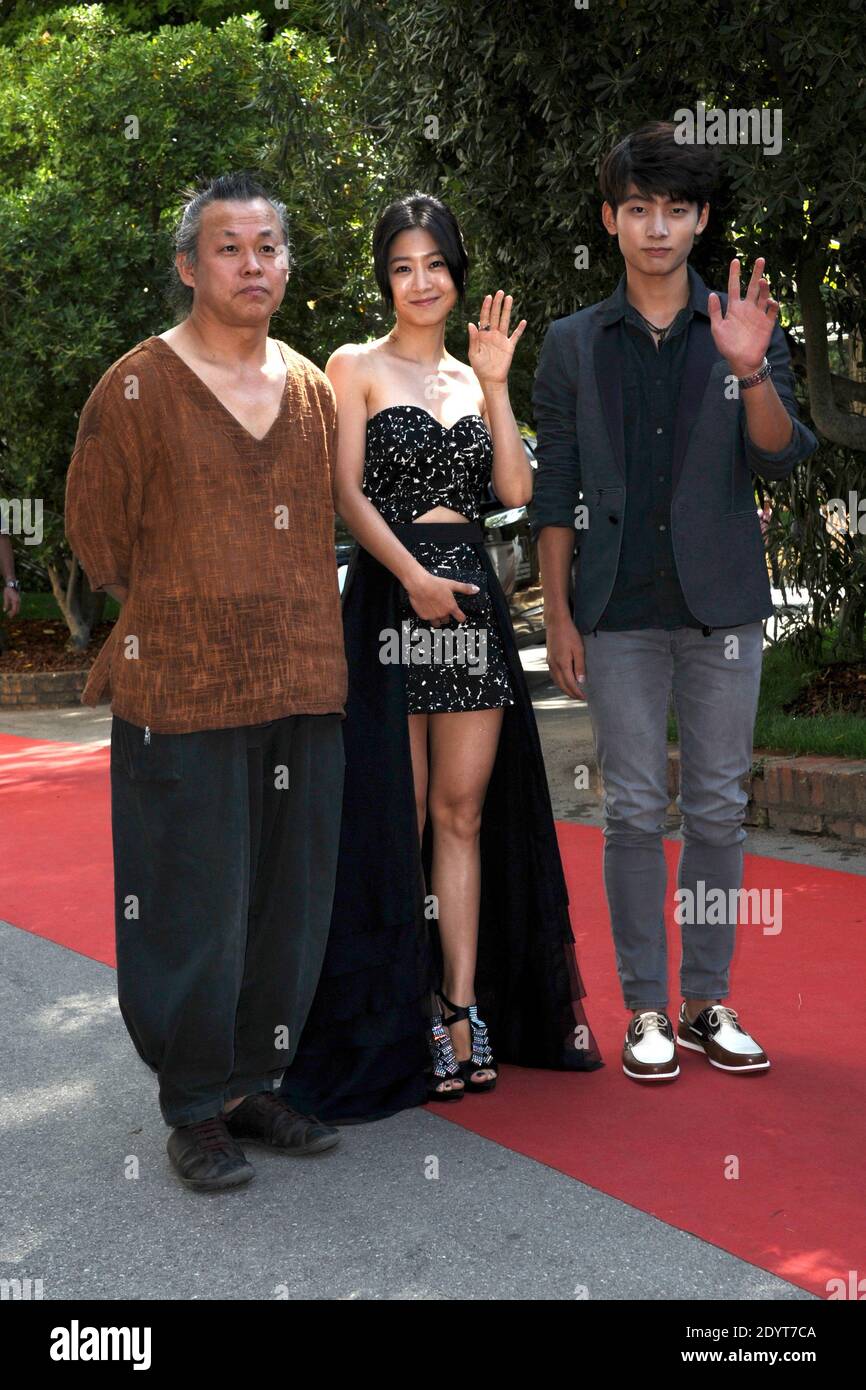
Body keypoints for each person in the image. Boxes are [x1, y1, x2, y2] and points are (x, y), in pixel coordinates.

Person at [278, 193, 602, 1123]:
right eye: (402, 268)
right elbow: (344, 493)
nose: (421, 283)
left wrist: (497, 384)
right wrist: (411, 576)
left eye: (436, 266)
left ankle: (460, 1010)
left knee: (462, 815)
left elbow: (512, 490)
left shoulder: (472, 375)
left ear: (458, 274)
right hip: (390, 597)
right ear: (385, 279)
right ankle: (396, 1010)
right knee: (398, 809)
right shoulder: (354, 366)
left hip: (470, 608)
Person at [64, 171, 348, 1192]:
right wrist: (183, 610)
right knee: (190, 902)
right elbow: (97, 536)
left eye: (268, 246)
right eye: (229, 247)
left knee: (286, 902)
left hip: (302, 685)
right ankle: (192, 1105)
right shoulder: (135, 385)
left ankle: (250, 1082)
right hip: (179, 691)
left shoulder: (312, 386)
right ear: (189, 266)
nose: (253, 264)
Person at [531, 122, 818, 1083]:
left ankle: (708, 1001)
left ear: (700, 221)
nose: (658, 227)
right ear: (611, 219)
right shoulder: (572, 344)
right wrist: (559, 616)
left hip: (723, 613)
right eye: (640, 208)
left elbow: (777, 450)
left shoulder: (741, 324)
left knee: (718, 812)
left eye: (678, 210)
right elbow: (556, 490)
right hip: (615, 612)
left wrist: (749, 368)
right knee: (632, 814)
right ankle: (646, 1010)